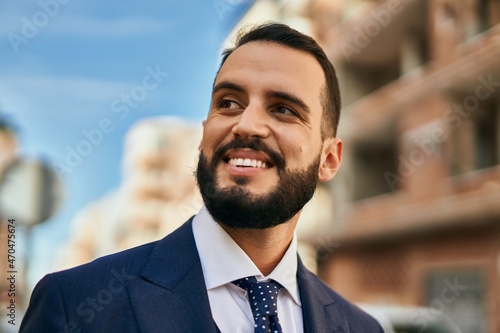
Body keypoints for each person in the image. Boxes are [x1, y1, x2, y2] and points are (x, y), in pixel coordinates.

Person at [20, 23, 383, 333]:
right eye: (228, 103)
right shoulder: (76, 306)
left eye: (283, 109)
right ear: (204, 130)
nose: (247, 124)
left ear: (329, 159)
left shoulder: (362, 328)